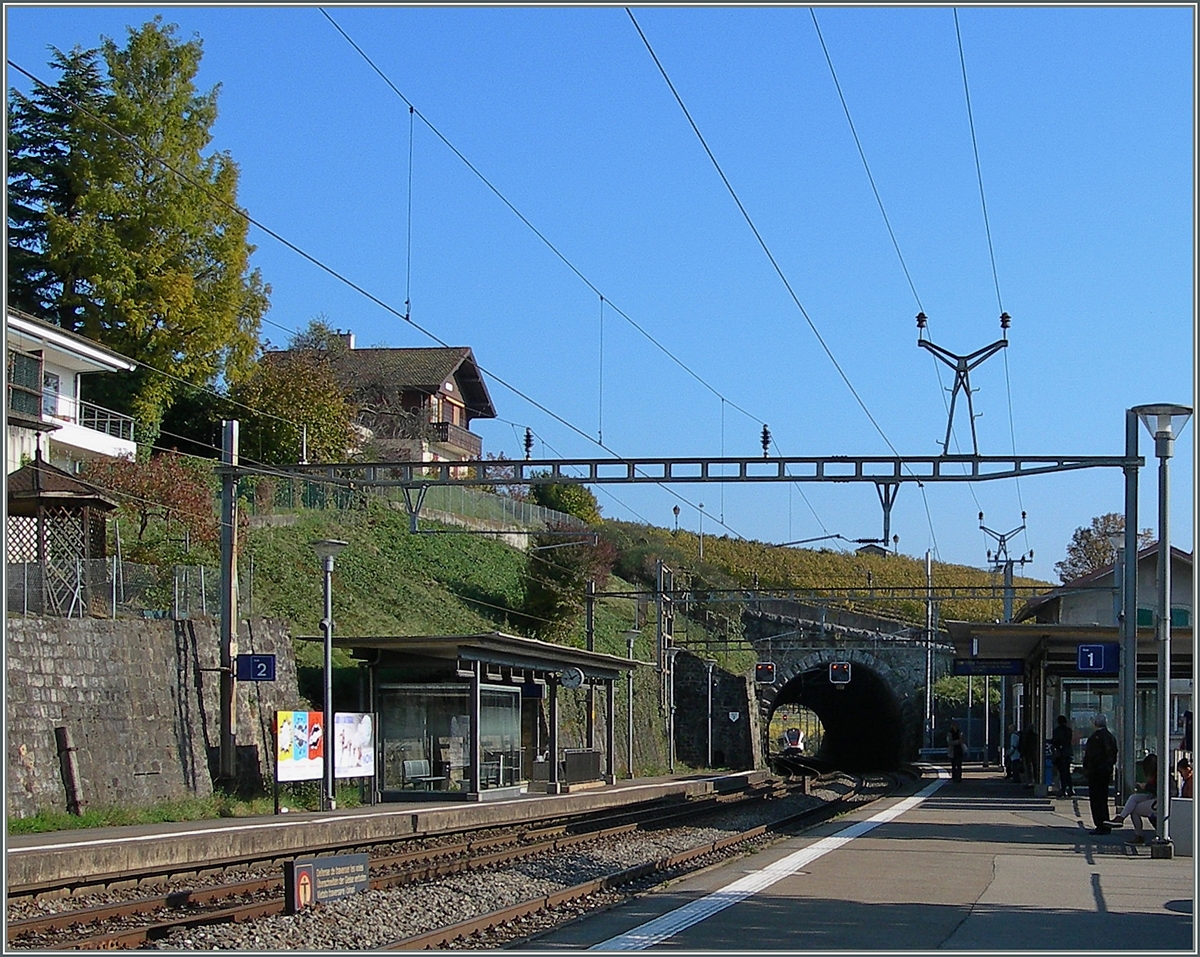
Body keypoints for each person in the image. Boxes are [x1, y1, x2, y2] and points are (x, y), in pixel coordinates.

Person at [1082, 713, 1119, 834]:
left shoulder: (1095, 738)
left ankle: (1100, 824)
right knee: (1103, 798)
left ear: (1095, 723)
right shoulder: (1110, 736)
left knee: (1096, 799)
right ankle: (1105, 823)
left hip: (1096, 772)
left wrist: (1088, 768)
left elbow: (1091, 756)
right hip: (1105, 772)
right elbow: (1113, 753)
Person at [1110, 753, 1157, 845]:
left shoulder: (1160, 775)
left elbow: (1161, 790)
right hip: (1154, 797)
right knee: (1134, 797)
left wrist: (1146, 786)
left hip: (1160, 801)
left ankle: (1139, 836)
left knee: (1134, 810)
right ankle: (1121, 817)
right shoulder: (1156, 774)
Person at [1050, 714, 1074, 797]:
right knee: (1067, 772)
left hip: (1060, 754)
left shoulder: (1057, 731)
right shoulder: (1069, 730)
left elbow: (1055, 741)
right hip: (1067, 753)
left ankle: (1063, 789)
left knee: (1062, 773)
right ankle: (1070, 788)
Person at [1020, 725, 1038, 789]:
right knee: (1035, 767)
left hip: (1027, 753)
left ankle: (1030, 781)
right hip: (1035, 753)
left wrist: (1022, 753)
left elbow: (1023, 745)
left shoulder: (1026, 736)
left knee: (1028, 768)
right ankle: (1036, 780)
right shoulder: (1035, 736)